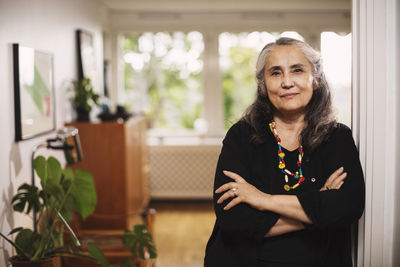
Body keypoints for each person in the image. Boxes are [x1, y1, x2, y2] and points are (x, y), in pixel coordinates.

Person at [204, 37, 365, 267]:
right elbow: (232, 218)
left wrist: (263, 200)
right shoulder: (241, 136)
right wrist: (318, 207)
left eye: (297, 70)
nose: (287, 82)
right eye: (276, 73)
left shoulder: (337, 137)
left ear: (315, 79)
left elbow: (348, 207)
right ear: (263, 85)